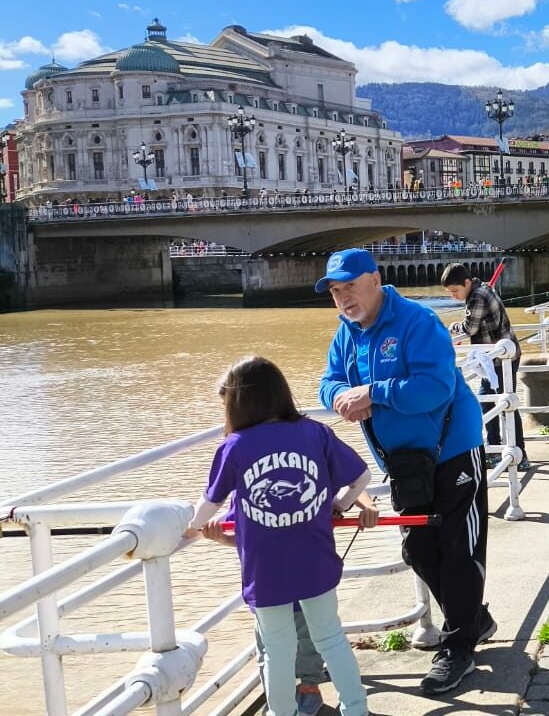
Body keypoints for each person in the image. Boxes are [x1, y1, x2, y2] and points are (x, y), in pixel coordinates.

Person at [315, 249, 492, 696]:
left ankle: (457, 649)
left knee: (456, 549)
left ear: (375, 280)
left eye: (349, 287)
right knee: (419, 549)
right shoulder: (347, 333)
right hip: (405, 464)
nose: (342, 298)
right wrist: (340, 396)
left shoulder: (417, 322)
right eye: (335, 291)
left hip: (452, 449)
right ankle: (472, 618)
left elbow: (436, 388)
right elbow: (327, 383)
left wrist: (373, 393)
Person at [186, 356, 373, 716]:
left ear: (239, 402)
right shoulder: (314, 431)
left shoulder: (235, 446)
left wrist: (191, 528)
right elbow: (361, 477)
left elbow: (210, 503)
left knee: (277, 652)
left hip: (267, 572)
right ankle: (356, 709)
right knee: (332, 640)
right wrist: (339, 504)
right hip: (316, 562)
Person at [441, 263, 529, 471]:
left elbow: (469, 328)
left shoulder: (477, 296)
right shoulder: (482, 289)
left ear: (466, 283)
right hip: (500, 357)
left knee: (500, 403)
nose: (453, 296)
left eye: (455, 291)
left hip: (500, 359)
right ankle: (500, 450)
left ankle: (512, 453)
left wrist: (453, 327)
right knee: (495, 402)